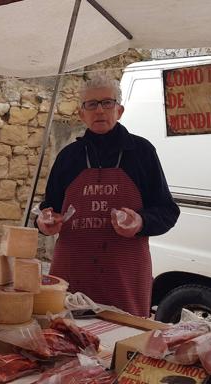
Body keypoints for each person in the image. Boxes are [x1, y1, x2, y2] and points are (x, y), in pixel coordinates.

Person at [36, 74, 179, 318]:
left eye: (107, 103)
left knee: (120, 344)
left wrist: (140, 222)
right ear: (82, 113)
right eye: (91, 104)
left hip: (124, 276)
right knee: (66, 340)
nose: (99, 110)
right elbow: (49, 209)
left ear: (119, 110)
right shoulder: (68, 157)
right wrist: (44, 221)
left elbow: (167, 212)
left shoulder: (142, 152)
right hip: (72, 273)